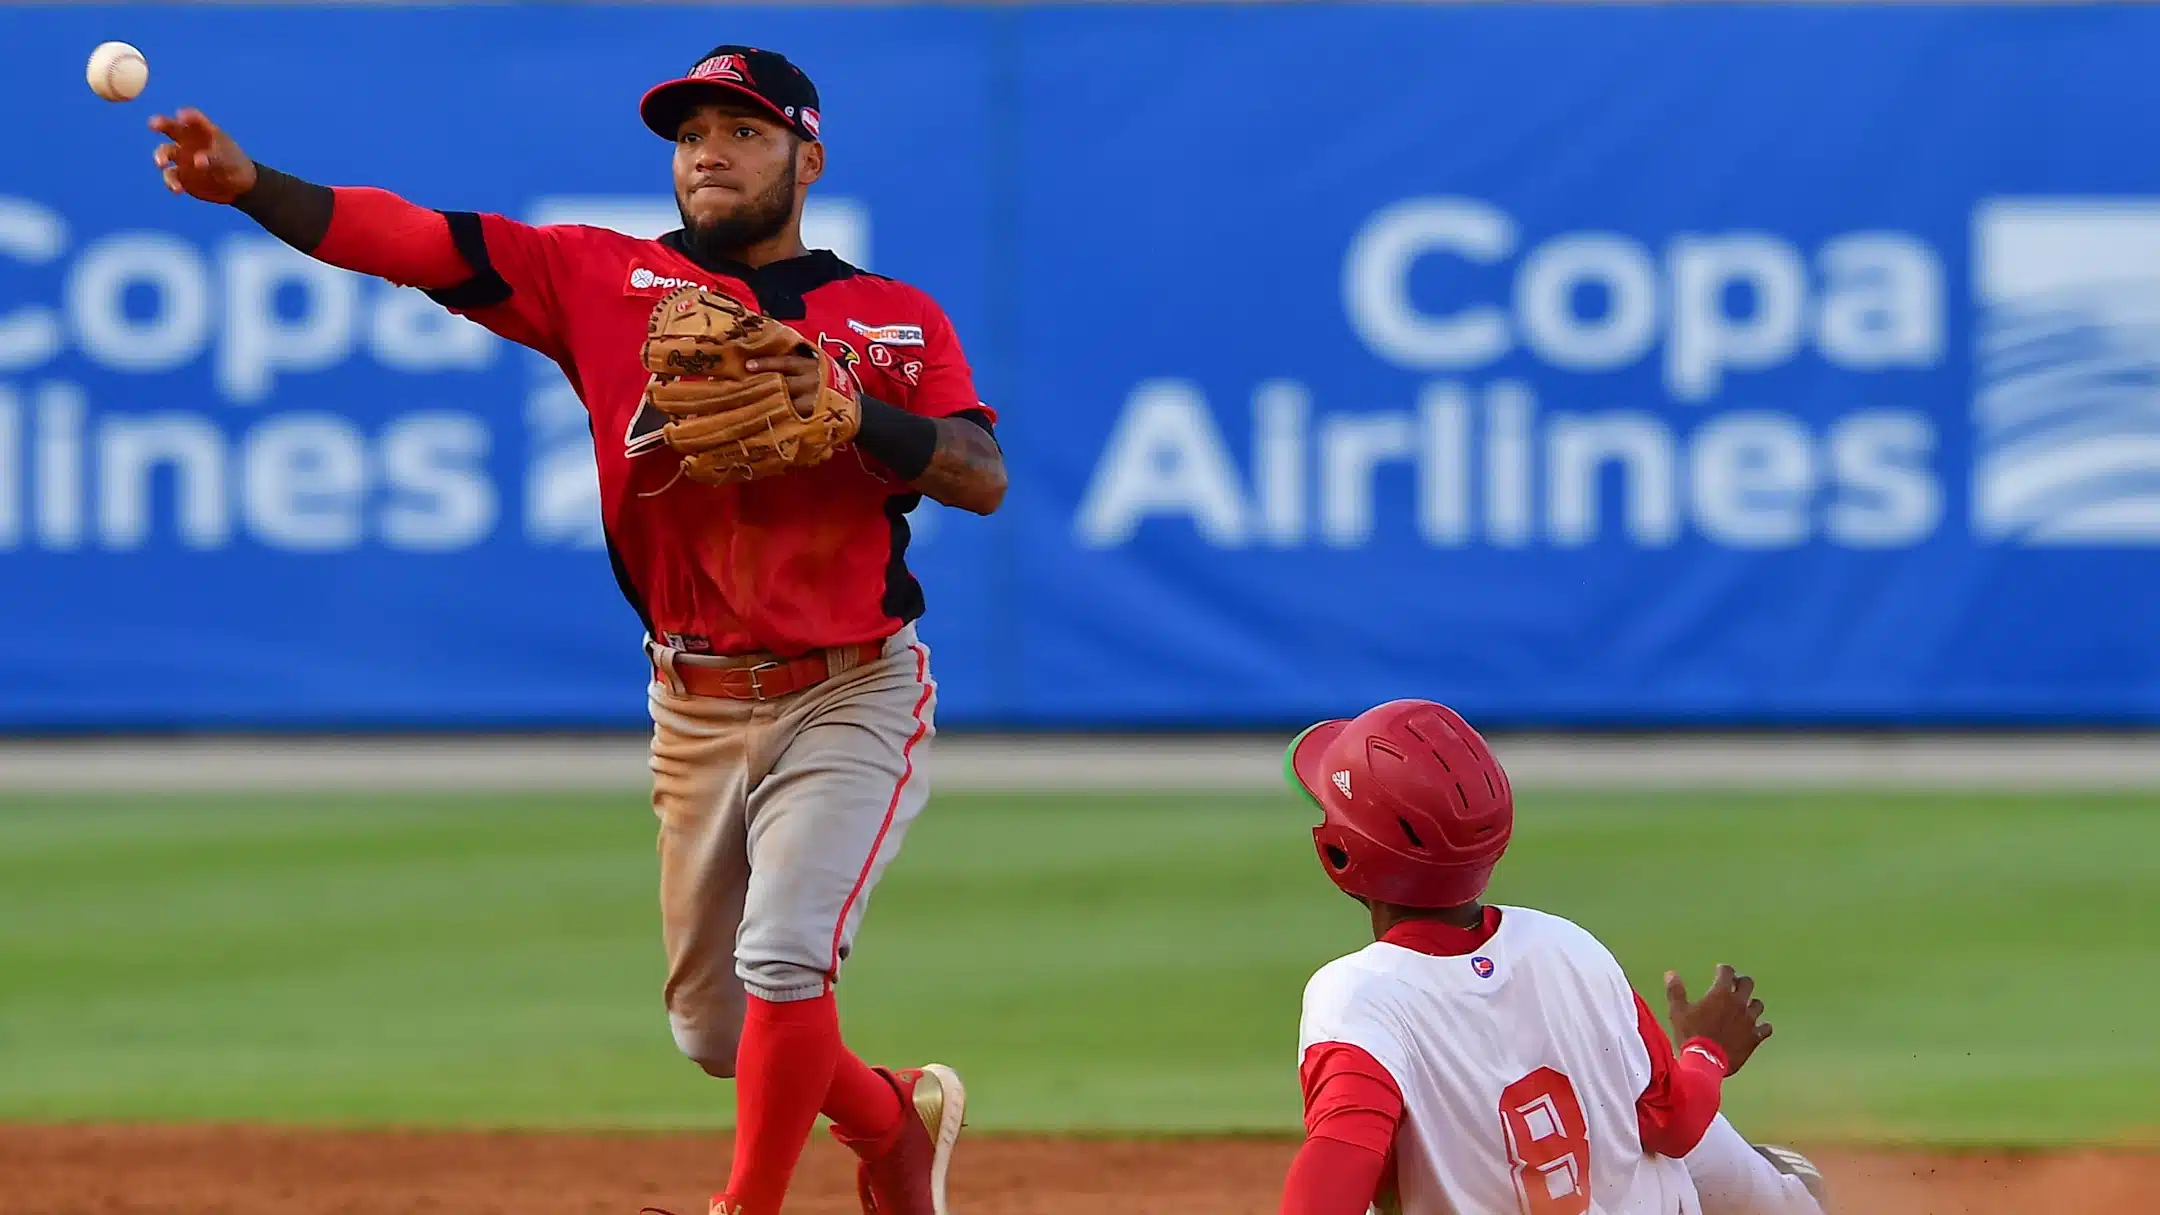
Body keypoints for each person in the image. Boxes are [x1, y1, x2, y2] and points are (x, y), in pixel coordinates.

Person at [148, 44, 1004, 1215]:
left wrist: (861, 418)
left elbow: (979, 473)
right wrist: (253, 186)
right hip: (694, 701)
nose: (707, 150)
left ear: (808, 154)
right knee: (719, 1034)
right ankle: (889, 1122)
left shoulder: (893, 320)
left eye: (742, 131)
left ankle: (743, 1206)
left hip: (848, 686)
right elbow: (415, 239)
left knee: (787, 960)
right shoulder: (599, 280)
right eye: (690, 132)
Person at [1279, 699, 1831, 1215]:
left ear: (1338, 852)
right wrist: (1707, 1051)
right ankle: (1788, 1198)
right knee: (1665, 1122)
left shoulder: (1357, 997)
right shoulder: (1567, 945)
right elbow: (1677, 1124)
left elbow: (1331, 1180)